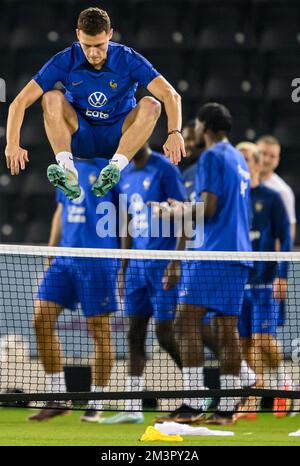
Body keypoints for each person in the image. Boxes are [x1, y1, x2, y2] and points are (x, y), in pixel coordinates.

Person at [5, 7, 185, 201]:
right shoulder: (66, 60)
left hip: (119, 138)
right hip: (81, 134)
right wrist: (12, 144)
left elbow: (171, 95)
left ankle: (113, 169)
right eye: (86, 46)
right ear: (77, 35)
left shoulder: (127, 59)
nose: (92, 53)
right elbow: (19, 102)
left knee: (152, 104)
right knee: (51, 98)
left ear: (110, 34)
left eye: (99, 45)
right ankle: (68, 171)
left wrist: (174, 132)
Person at [156, 103, 253, 426]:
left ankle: (194, 402)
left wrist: (174, 214)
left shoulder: (211, 156)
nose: (194, 131)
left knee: (184, 322)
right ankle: (225, 408)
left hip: (214, 252)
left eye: (196, 125)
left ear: (204, 126)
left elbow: (208, 209)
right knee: (227, 331)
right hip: (239, 254)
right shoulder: (238, 158)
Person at [99, 143, 186, 424]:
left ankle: (196, 393)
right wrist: (123, 270)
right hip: (136, 265)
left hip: (162, 263)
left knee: (166, 334)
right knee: (134, 334)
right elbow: (126, 221)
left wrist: (176, 261)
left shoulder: (165, 169)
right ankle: (133, 407)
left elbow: (185, 213)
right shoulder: (122, 173)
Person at [28, 157, 119, 423]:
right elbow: (61, 208)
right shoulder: (64, 166)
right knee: (40, 320)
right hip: (64, 258)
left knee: (99, 331)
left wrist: (124, 259)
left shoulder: (110, 168)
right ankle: (58, 396)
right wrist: (51, 250)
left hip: (98, 258)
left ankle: (96, 401)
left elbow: (124, 214)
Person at [236, 142, 292, 418]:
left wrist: (282, 275)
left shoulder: (272, 197)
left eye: (247, 159)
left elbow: (286, 237)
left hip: (265, 281)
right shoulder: (233, 199)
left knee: (263, 339)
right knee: (244, 342)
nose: (244, 164)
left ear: (257, 164)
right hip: (239, 283)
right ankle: (252, 398)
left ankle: (284, 384)